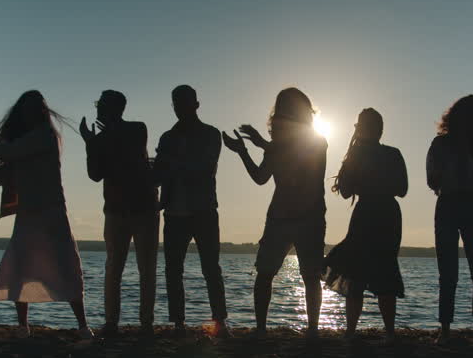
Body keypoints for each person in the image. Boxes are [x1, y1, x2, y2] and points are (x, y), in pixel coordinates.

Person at [0, 90, 91, 339]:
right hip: (28, 214)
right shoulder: (20, 145)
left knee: (64, 265)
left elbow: (9, 153)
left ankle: (82, 327)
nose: (28, 114)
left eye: (33, 109)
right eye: (25, 109)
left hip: (51, 211)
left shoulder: (46, 136)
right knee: (20, 266)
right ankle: (23, 327)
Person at [223, 87, 327, 336]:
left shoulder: (316, 141)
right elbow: (261, 177)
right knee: (270, 274)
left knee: (307, 276)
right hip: (285, 217)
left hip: (305, 217)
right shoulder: (277, 146)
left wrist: (263, 145)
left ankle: (309, 329)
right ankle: (262, 328)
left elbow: (298, 171)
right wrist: (244, 151)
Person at [152, 85, 231, 337]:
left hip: (203, 210)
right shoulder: (168, 137)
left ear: (195, 105)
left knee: (210, 267)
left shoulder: (210, 134)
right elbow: (161, 174)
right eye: (176, 104)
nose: (179, 109)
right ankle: (178, 323)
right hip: (175, 211)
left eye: (183, 103)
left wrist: (169, 164)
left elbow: (205, 168)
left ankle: (219, 321)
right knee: (174, 269)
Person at [322, 108, 407, 339]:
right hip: (387, 214)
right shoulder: (392, 154)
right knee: (383, 269)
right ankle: (389, 332)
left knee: (357, 271)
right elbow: (402, 189)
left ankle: (352, 331)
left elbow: (346, 190)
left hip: (369, 212)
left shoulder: (357, 155)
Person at [79, 90, 158, 336]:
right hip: (116, 209)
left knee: (145, 267)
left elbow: (131, 155)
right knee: (115, 267)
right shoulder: (103, 138)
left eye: (102, 106)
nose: (98, 110)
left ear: (115, 109)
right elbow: (95, 174)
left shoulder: (136, 129)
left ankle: (146, 323)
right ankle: (113, 322)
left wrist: (98, 140)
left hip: (142, 208)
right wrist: (90, 143)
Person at [426, 94, 473, 341]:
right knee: (449, 269)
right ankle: (446, 328)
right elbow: (432, 180)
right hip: (449, 202)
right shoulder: (440, 144)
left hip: (467, 202)